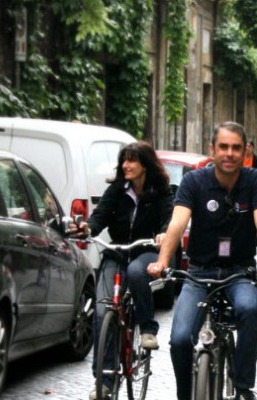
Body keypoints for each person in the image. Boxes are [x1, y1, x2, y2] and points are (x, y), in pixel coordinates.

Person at [148, 121, 257, 400]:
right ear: (213, 150)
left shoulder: (255, 180)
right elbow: (177, 223)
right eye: (223, 147)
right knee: (180, 339)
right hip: (199, 272)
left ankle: (244, 387)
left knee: (247, 310)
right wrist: (162, 262)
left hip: (239, 272)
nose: (229, 153)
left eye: (236, 147)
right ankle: (185, 395)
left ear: (245, 151)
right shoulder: (194, 182)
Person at [73, 142, 174, 400]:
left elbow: (169, 218)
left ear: (145, 165)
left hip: (145, 251)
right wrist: (88, 229)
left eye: (132, 161)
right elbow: (100, 216)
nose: (126, 166)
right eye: (124, 161)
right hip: (116, 251)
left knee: (137, 272)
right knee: (102, 311)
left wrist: (163, 232)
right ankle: (103, 383)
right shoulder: (117, 190)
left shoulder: (161, 192)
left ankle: (148, 328)